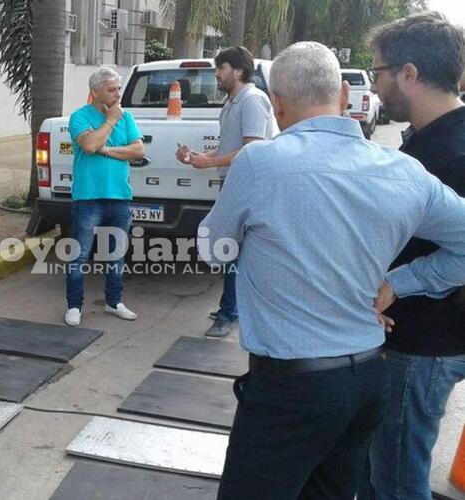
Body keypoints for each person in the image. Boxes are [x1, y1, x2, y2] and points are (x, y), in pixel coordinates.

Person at [199, 41, 465, 500]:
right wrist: (398, 283)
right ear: (344, 93)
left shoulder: (260, 163)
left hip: (289, 389)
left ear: (276, 104)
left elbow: (212, 250)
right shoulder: (406, 171)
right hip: (366, 379)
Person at [357, 13, 465, 500]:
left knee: (397, 482)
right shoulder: (427, 140)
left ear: (409, 74)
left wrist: (396, 282)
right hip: (411, 338)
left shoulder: (454, 153)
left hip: (425, 344)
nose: (375, 86)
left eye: (377, 72)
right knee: (380, 472)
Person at [175, 46, 276, 339]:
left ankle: (229, 313)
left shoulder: (253, 100)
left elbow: (251, 148)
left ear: (239, 71)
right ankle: (232, 308)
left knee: (232, 250)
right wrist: (198, 156)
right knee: (230, 248)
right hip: (232, 184)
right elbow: (228, 147)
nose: (216, 74)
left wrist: (210, 162)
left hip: (249, 186)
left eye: (221, 68)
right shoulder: (233, 101)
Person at [64, 66, 144, 327]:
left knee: (117, 254)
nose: (117, 94)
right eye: (111, 90)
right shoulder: (79, 117)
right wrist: (110, 121)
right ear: (95, 92)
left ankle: (114, 301)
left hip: (120, 196)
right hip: (88, 196)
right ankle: (74, 306)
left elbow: (138, 151)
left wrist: (106, 150)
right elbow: (88, 145)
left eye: (118, 89)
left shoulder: (127, 117)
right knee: (80, 254)